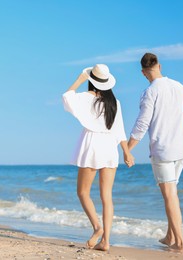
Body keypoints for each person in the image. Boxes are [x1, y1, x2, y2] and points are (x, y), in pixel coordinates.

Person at [128, 53, 183, 253]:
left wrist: (127, 149)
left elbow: (142, 124)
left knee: (169, 196)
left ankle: (180, 244)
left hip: (163, 151)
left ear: (143, 72)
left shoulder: (149, 92)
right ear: (159, 65)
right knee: (172, 194)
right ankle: (170, 236)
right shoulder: (176, 85)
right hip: (182, 148)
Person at [63, 64, 133, 252]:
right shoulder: (115, 103)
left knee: (83, 192)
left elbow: (66, 97)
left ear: (92, 81)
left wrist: (81, 78)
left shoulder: (86, 98)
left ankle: (97, 227)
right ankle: (106, 241)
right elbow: (120, 131)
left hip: (93, 146)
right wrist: (127, 152)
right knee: (106, 196)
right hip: (110, 147)